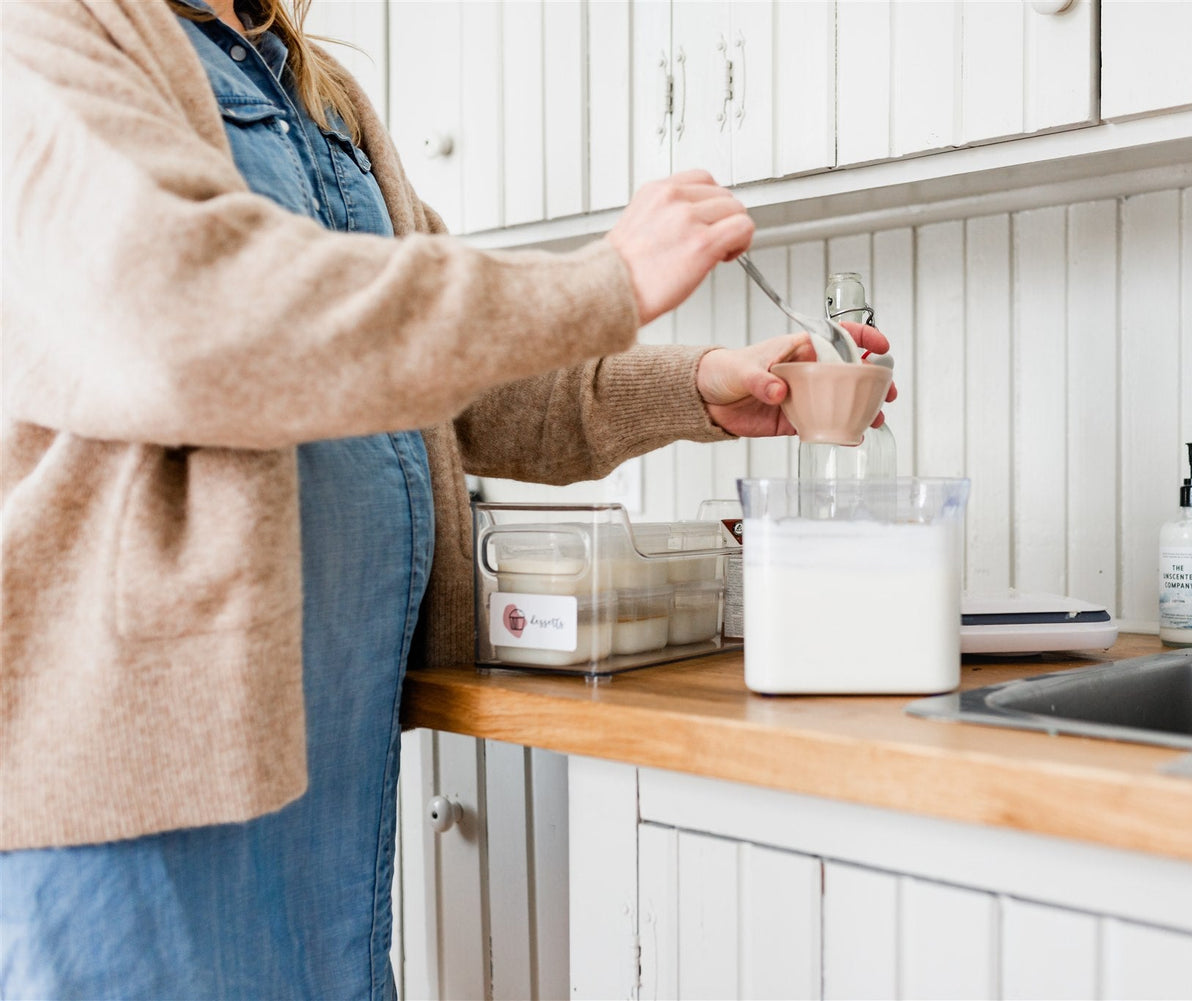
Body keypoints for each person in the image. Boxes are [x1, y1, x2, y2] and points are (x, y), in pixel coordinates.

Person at [0, 0, 894, 996]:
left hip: (323, 772)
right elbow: (188, 315)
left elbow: (452, 377)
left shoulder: (312, 92)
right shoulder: (43, 35)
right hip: (131, 783)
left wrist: (699, 385)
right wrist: (605, 280)